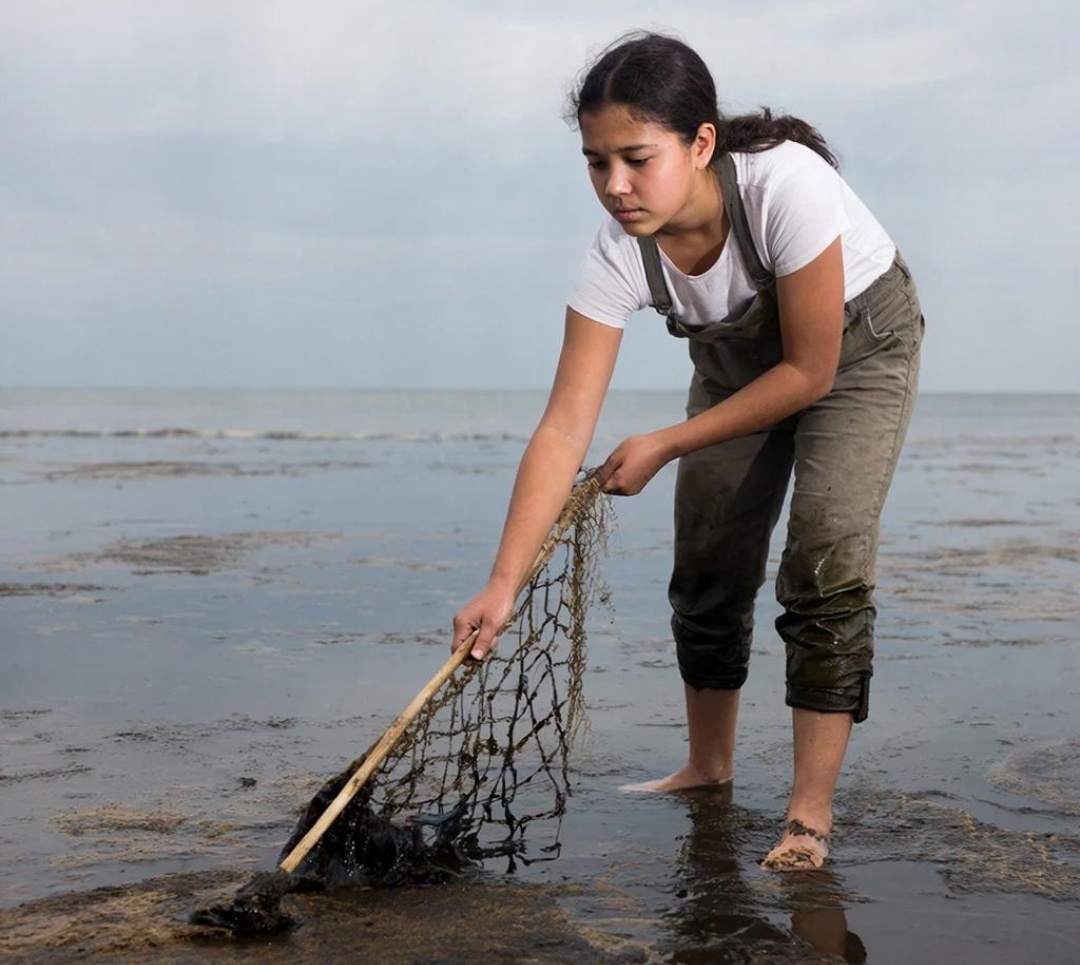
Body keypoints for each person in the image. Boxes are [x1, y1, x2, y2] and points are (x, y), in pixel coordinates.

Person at [452, 31, 923, 871]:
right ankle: (708, 769)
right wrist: (502, 580)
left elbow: (810, 369)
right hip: (738, 363)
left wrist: (665, 442)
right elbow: (564, 427)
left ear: (701, 141)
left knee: (823, 559)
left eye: (635, 157)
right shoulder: (617, 252)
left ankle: (809, 816)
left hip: (856, 349)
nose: (615, 187)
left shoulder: (787, 185)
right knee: (707, 558)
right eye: (596, 163)